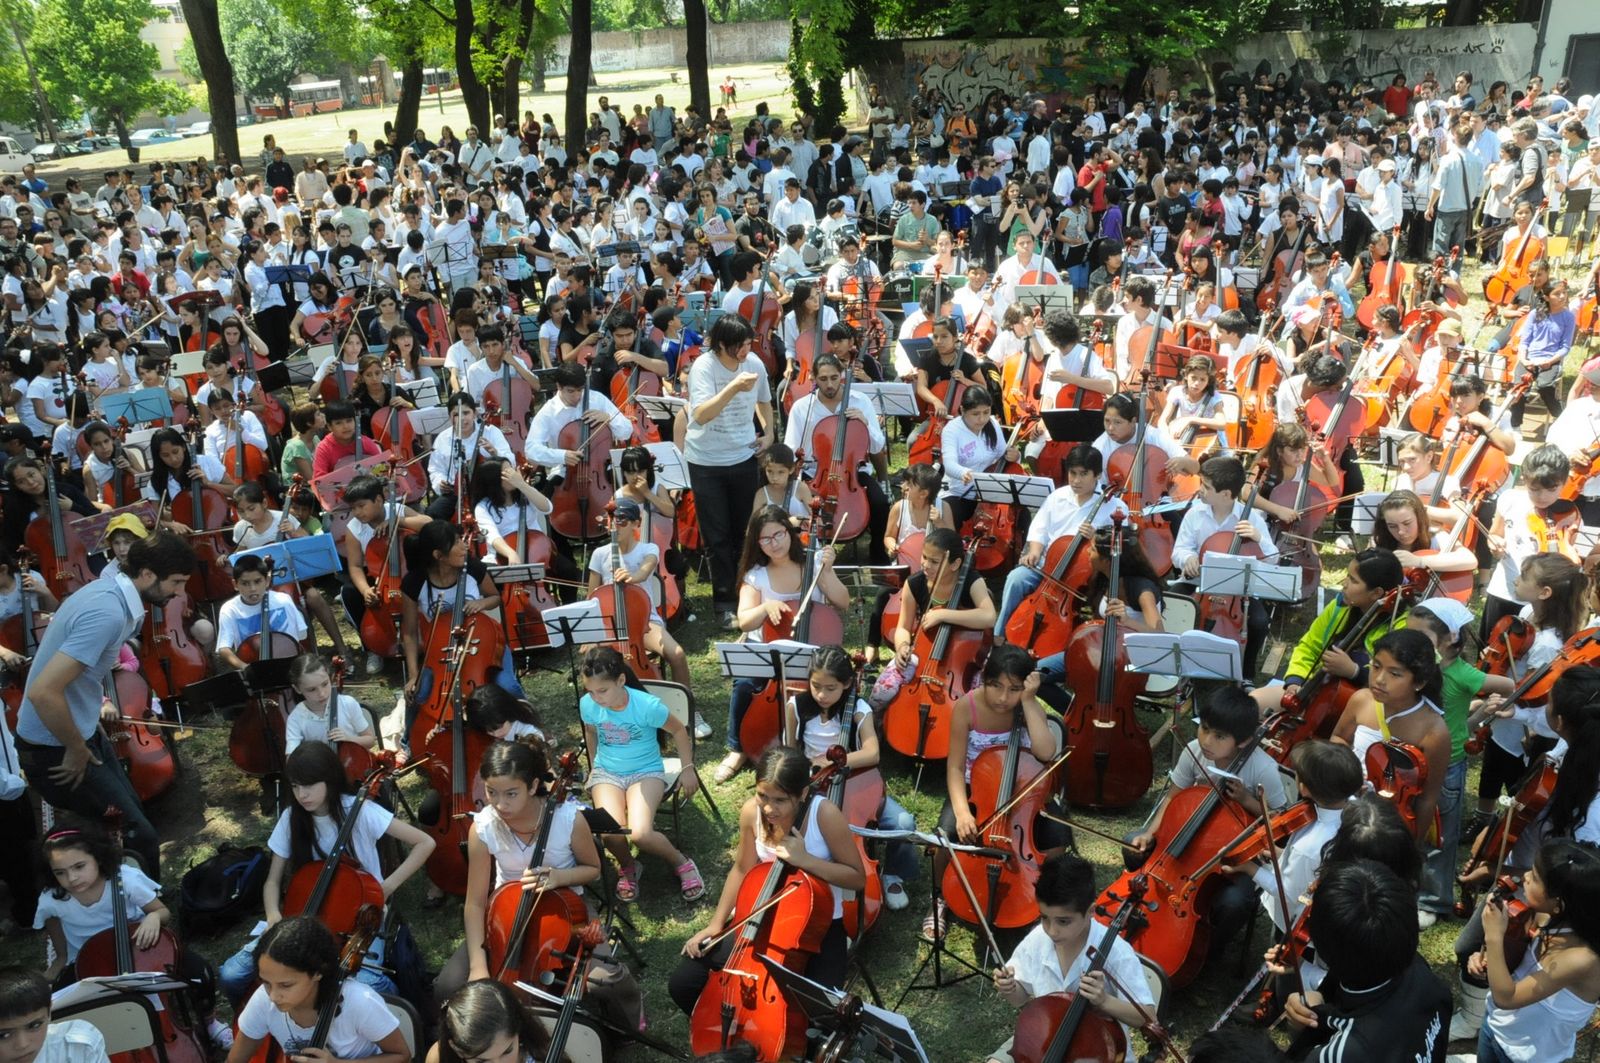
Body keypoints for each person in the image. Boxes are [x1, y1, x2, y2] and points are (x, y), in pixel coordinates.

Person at [11, 531, 194, 876]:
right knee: (137, 835)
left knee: (127, 824)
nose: (180, 593)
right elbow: (42, 692)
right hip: (57, 748)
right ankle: (149, 919)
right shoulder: (107, 610)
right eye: (176, 582)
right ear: (147, 574)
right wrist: (76, 747)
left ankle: (134, 909)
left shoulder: (111, 594)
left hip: (77, 731)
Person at [214, 741, 433, 1005]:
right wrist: (273, 914)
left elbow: (425, 842)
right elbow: (272, 882)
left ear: (329, 780)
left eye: (308, 785)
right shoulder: (291, 818)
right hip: (304, 917)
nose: (301, 794)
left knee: (367, 984)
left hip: (359, 921)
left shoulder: (359, 810)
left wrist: (386, 887)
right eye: (295, 786)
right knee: (230, 975)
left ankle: (393, 1004)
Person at [670, 746, 866, 1016]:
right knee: (683, 985)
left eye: (780, 800)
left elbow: (857, 878)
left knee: (819, 1015)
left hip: (818, 926)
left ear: (803, 794)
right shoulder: (752, 812)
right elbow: (741, 869)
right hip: (761, 915)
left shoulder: (825, 815)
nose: (769, 808)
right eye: (762, 795)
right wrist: (716, 925)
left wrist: (806, 860)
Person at [928, 645, 1062, 944]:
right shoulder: (968, 707)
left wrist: (1028, 701)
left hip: (1021, 792)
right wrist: (963, 812)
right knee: (946, 834)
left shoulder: (1027, 707)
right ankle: (938, 899)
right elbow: (954, 767)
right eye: (996, 686)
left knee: (1056, 835)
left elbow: (1045, 750)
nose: (1004, 697)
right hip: (973, 789)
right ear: (984, 681)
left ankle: (1037, 894)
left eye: (1014, 689)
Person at [987, 852, 1156, 1063]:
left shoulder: (1117, 952)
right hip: (1043, 1041)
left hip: (1097, 1053)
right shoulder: (1038, 938)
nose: (1052, 930)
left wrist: (1104, 1000)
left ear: (1090, 912)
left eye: (1063, 922)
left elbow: (1147, 1016)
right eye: (1045, 918)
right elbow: (1020, 999)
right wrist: (1010, 989)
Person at [1406, 600, 1514, 923]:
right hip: (1412, 758)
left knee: (1441, 836)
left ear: (1450, 639)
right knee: (1413, 825)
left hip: (1446, 764)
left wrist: (1498, 706)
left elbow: (1509, 686)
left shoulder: (1463, 673)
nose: (1412, 643)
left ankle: (1434, 900)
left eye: (1420, 636)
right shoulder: (1419, 668)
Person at [1282, 860, 1452, 1061]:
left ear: (1321, 947)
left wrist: (1301, 1027)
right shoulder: (1416, 967)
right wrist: (1322, 1001)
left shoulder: (1341, 1055)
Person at [578, 646, 702, 904]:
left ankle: (681, 862)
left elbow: (679, 731)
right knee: (609, 831)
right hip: (607, 772)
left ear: (621, 680)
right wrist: (593, 768)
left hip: (645, 771)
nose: (596, 698)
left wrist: (688, 769)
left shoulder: (647, 706)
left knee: (641, 833)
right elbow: (591, 732)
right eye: (590, 691)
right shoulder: (588, 704)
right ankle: (629, 866)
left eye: (602, 690)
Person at [1470, 839, 1600, 1063]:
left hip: (1526, 1055)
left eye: (1535, 877)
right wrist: (1487, 959)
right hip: (1496, 1026)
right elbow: (1518, 966)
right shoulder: (1544, 916)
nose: (1526, 876)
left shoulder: (1581, 957)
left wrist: (1493, 937)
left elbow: (1506, 997)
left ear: (1558, 903)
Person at [684, 315, 773, 626]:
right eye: (741, 345)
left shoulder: (755, 364)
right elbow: (702, 414)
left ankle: (748, 592)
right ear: (722, 344)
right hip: (706, 461)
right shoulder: (704, 368)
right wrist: (733, 387)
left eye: (749, 342)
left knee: (744, 531)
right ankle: (724, 601)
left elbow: (764, 401)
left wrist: (770, 433)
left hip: (744, 456)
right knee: (717, 535)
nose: (747, 349)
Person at [225, 916, 411, 1063]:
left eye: (286, 985)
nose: (273, 996)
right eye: (266, 983)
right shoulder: (263, 1000)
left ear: (317, 973)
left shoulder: (360, 1002)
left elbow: (402, 1056)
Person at [1253, 549, 1407, 719]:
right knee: (1254, 703)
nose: (1344, 583)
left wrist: (1354, 672)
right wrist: (1295, 681)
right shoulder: (1341, 605)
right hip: (1318, 689)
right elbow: (1310, 646)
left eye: (1353, 580)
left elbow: (1396, 682)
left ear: (1377, 593)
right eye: (1347, 576)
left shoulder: (1401, 626)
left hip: (1363, 710)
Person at [1331, 628, 1453, 843]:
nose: (1379, 679)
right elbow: (1339, 738)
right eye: (1376, 666)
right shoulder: (1361, 699)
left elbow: (1427, 799)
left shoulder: (1433, 732)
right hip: (1344, 804)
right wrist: (1347, 776)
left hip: (1388, 825)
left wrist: (1412, 848)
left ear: (1419, 682)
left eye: (1395, 674)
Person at [1172, 454, 1278, 678]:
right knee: (1171, 605)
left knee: (1259, 622)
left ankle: (1246, 672)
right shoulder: (1195, 514)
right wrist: (1188, 558)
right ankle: (1176, 664)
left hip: (1238, 594)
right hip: (1198, 584)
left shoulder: (1252, 519)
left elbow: (1273, 560)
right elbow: (1179, 550)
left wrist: (1258, 538)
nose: (1200, 489)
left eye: (1206, 486)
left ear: (1227, 494)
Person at [35, 823, 169, 984]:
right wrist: (61, 958)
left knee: (192, 971)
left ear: (98, 858)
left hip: (137, 947)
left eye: (79, 866)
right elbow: (54, 925)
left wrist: (153, 917)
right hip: (87, 959)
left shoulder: (126, 880)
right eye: (60, 872)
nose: (71, 878)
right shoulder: (52, 899)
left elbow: (163, 911)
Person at [585, 498, 691, 687]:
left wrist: (632, 578)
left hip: (645, 622)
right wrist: (588, 635)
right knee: (590, 661)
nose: (615, 526)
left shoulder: (648, 549)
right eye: (612, 519)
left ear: (636, 523)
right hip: (609, 625)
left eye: (622, 520)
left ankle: (688, 706)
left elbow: (645, 570)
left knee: (677, 654)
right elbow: (591, 597)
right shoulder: (600, 554)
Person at [0, 965, 111, 1063]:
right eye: (3, 1035)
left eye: (35, 1025)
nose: (22, 1044)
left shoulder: (78, 1046)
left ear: (49, 1013)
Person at [426, 980, 554, 1063]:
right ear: (458, 1050)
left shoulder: (544, 1057)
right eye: (482, 1061)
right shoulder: (438, 1058)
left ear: (519, 1029)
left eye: (507, 1051)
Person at [283, 653, 376, 757]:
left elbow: (370, 740)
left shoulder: (348, 704)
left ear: (330, 677)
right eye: (312, 689)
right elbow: (291, 758)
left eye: (325, 684)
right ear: (297, 689)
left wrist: (350, 739)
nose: (322, 693)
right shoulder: (296, 718)